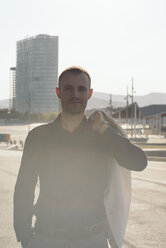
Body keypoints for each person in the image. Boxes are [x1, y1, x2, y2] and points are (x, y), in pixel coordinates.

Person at [13, 66, 147, 248]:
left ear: (89, 93)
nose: (75, 94)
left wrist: (106, 131)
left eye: (81, 89)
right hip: (46, 238)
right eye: (68, 88)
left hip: (93, 239)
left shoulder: (102, 136)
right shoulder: (38, 136)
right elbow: (24, 188)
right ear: (58, 92)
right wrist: (25, 236)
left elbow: (139, 162)